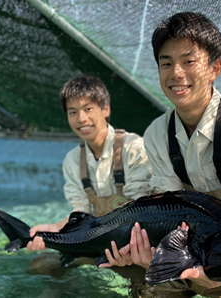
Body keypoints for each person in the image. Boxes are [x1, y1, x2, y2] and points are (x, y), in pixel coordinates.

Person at [105, 12, 221, 298]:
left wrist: (220, 272)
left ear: (214, 68)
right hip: (182, 259)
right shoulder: (157, 133)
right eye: (166, 63)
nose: (176, 73)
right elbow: (165, 210)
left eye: (188, 61)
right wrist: (149, 256)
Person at [26, 75, 152, 256]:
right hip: (99, 243)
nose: (81, 119)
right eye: (73, 112)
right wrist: (52, 229)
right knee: (40, 267)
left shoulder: (135, 149)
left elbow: (142, 210)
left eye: (88, 109)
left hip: (137, 245)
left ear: (106, 109)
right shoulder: (73, 160)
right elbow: (81, 214)